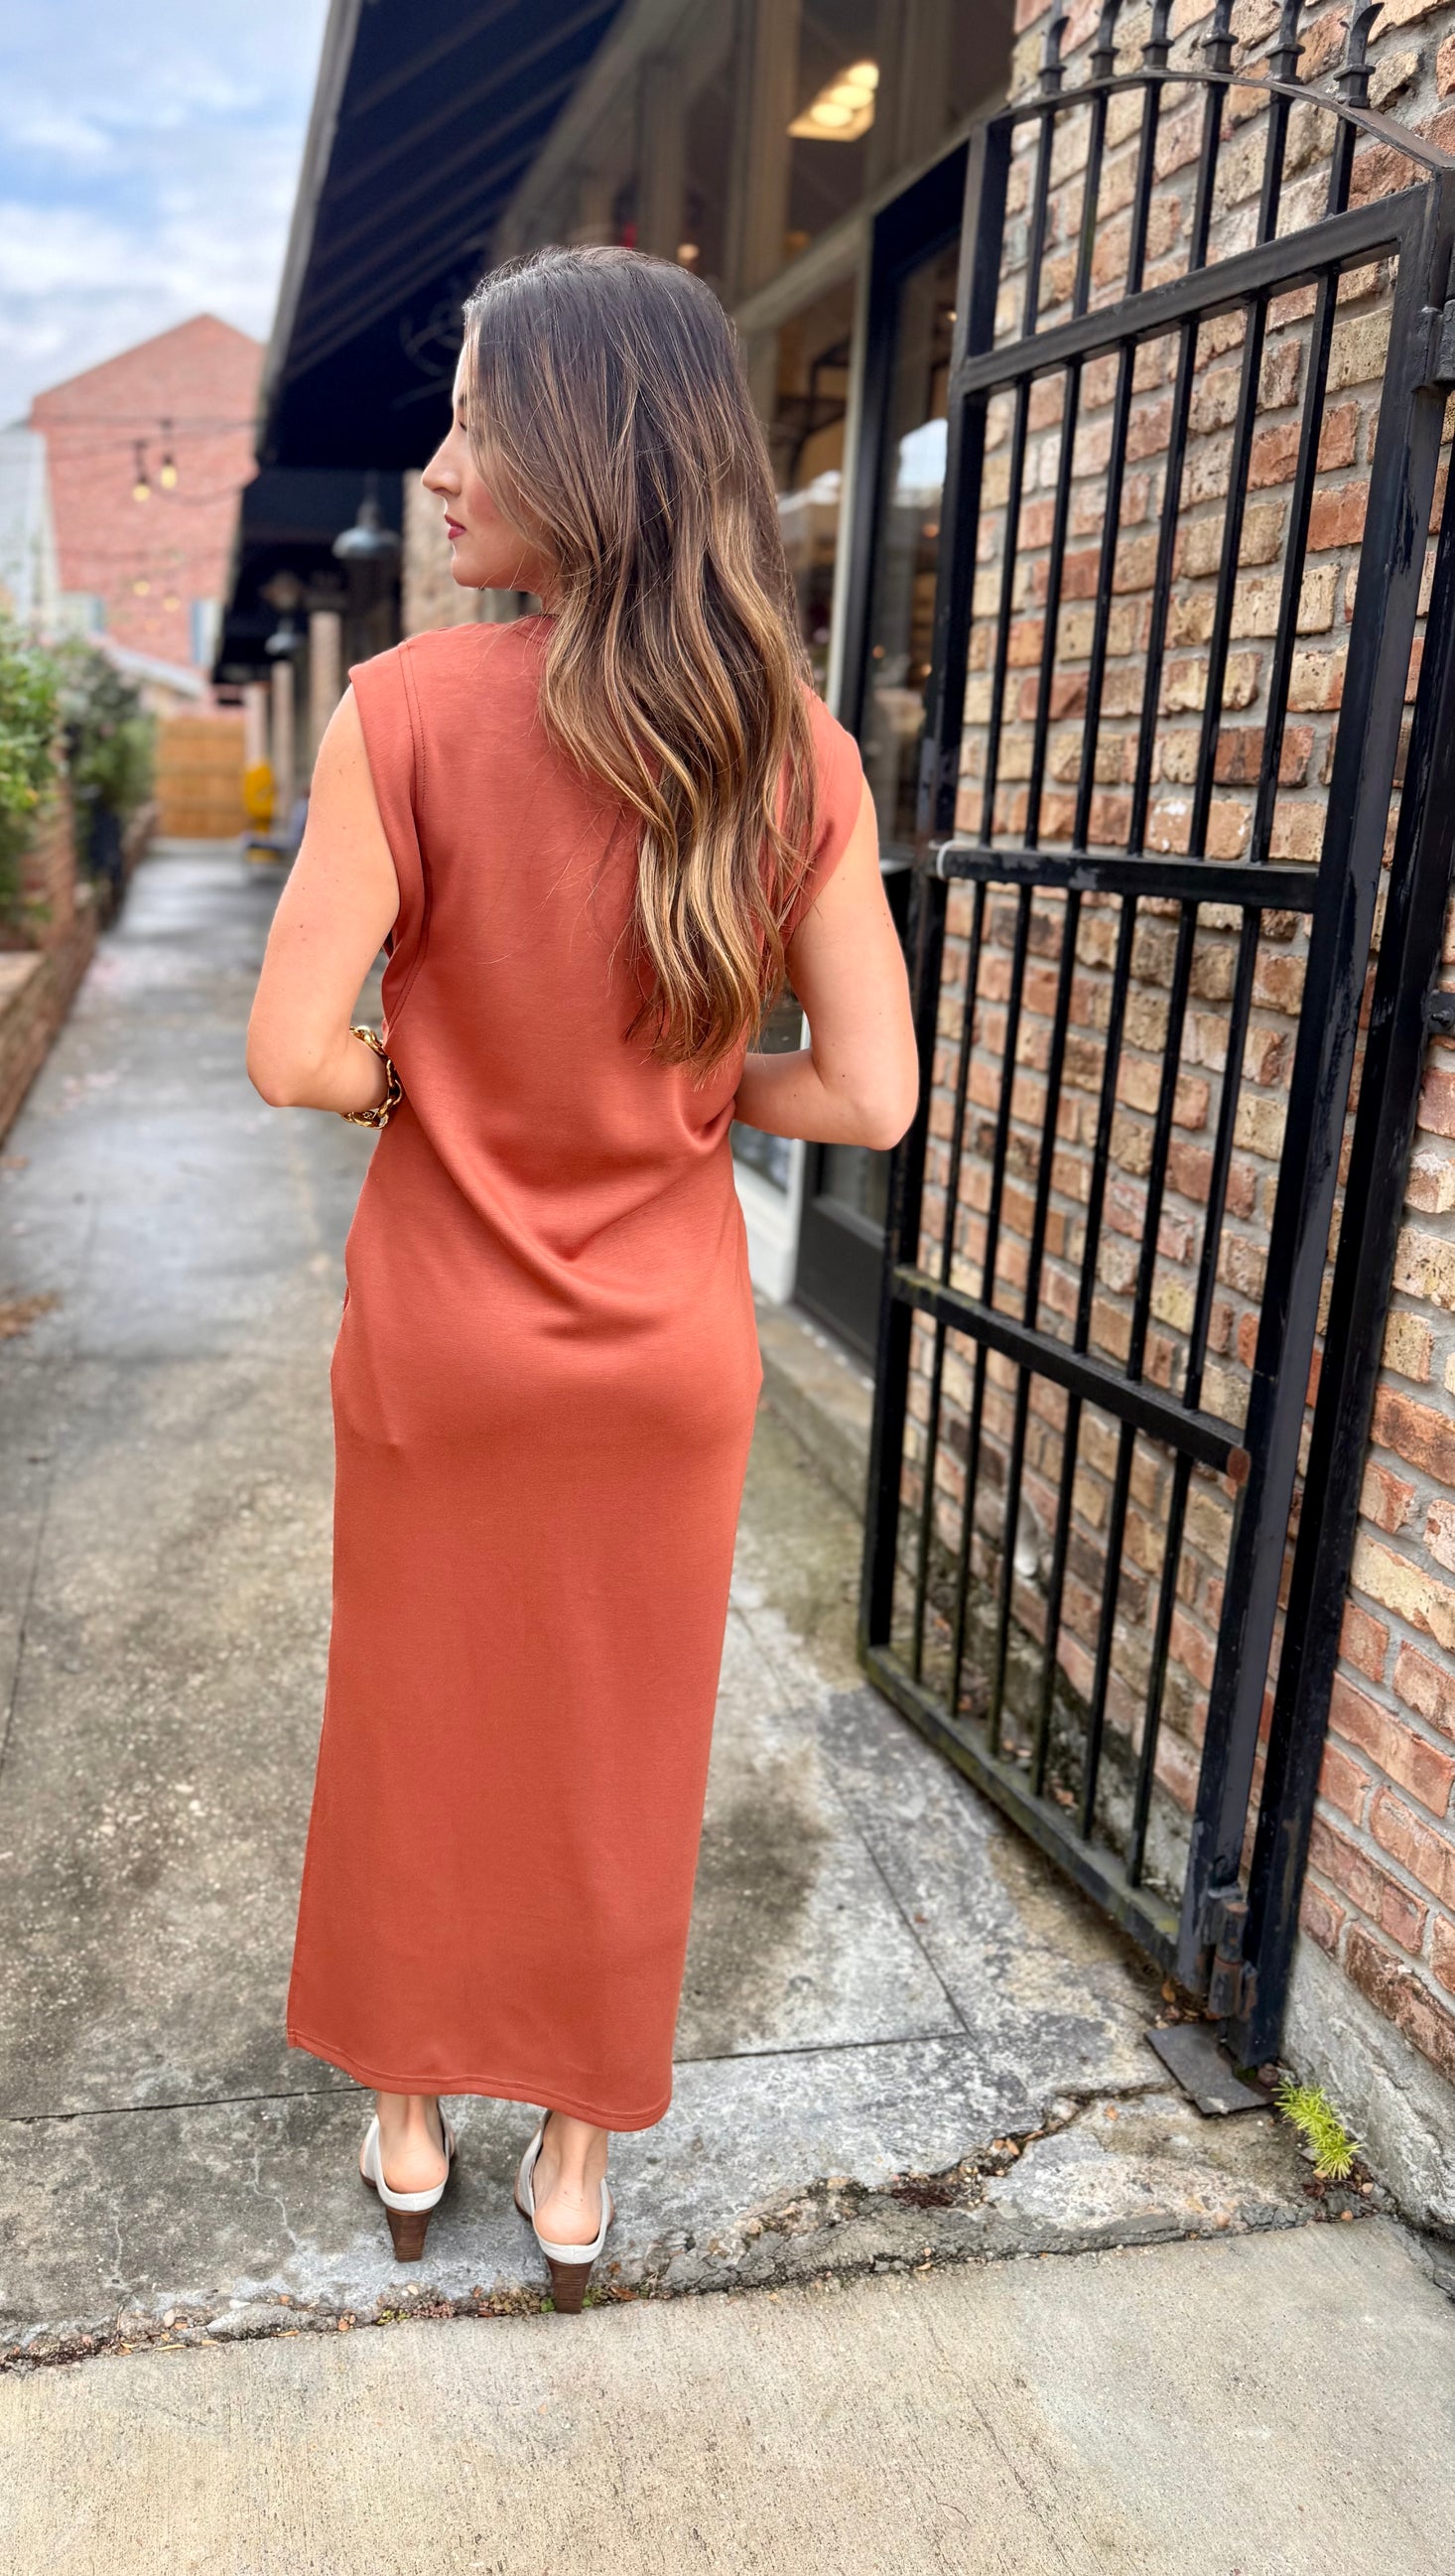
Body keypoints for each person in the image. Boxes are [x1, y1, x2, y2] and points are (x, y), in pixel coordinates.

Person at [246, 245, 917, 2312]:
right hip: (661, 1358)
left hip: (440, 1348)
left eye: (475, 421)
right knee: (614, 1754)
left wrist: (412, 1086)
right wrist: (692, 1099)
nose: (439, 467)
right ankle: (575, 2149)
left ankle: (406, 2120)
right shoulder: (792, 750)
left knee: (415, 1724)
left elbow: (288, 1049)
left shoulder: (400, 715)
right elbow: (870, 1095)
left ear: (587, 448)